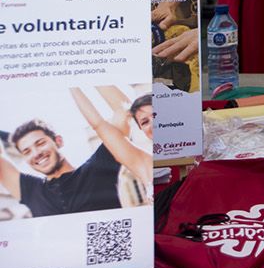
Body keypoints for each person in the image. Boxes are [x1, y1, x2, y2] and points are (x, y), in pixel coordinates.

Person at [0, 88, 152, 216]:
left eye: (40, 143)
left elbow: (123, 109)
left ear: (58, 141)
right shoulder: (31, 191)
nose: (36, 153)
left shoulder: (98, 166)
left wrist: (81, 70)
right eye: (26, 151)